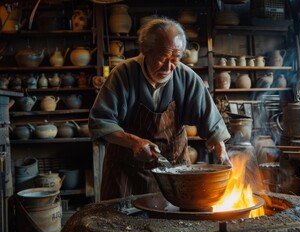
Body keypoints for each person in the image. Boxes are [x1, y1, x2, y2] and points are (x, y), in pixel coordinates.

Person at [88, 17, 231, 200]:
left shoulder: (186, 77)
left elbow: (209, 119)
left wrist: (222, 152)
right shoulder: (123, 74)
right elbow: (100, 122)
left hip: (174, 173)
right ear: (145, 51)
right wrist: (133, 142)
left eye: (175, 59)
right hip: (125, 173)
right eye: (162, 58)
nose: (169, 67)